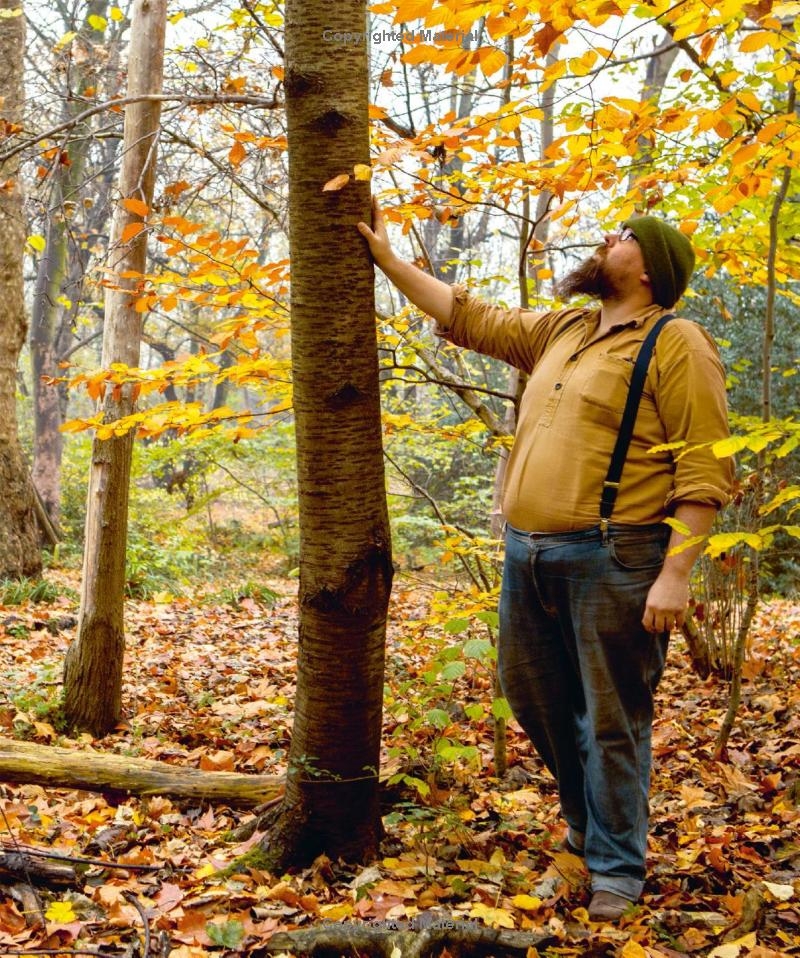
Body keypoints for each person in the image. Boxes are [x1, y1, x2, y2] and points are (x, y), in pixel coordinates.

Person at [357, 200, 734, 921]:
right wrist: (387, 258)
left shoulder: (677, 343)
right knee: (532, 697)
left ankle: (615, 868)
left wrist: (676, 573)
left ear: (649, 268)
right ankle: (588, 830)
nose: (606, 238)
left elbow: (704, 470)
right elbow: (471, 315)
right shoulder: (565, 328)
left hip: (616, 557)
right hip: (525, 554)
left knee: (613, 717)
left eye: (622, 236)